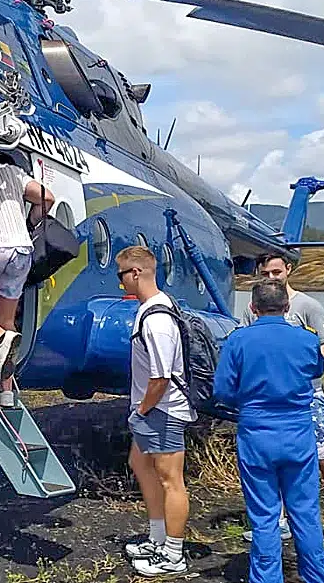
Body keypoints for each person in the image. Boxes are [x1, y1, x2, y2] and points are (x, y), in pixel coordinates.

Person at [238, 253, 324, 544]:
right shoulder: (253, 308)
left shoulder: (308, 306)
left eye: (276, 272)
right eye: (265, 274)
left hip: (307, 394)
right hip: (270, 397)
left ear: (288, 269)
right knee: (276, 459)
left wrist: (299, 362)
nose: (271, 278)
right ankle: (280, 520)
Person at [215, 278, 324, 583]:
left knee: (264, 516)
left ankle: (267, 577)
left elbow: (223, 391)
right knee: (305, 513)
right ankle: (318, 577)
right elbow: (316, 370)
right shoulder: (306, 340)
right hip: (297, 432)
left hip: (256, 433)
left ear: (253, 308)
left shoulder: (238, 340)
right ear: (286, 306)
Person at [116, 245, 192, 576]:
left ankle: (173, 554)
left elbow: (161, 377)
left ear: (136, 273)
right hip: (152, 411)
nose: (120, 284)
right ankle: (157, 537)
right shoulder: (152, 309)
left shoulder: (157, 319)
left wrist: (141, 410)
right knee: (140, 463)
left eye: (121, 276)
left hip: (163, 411)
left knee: (170, 479)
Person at [0, 151, 52, 407]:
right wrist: (30, 224)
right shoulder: (15, 173)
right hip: (22, 249)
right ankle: (7, 393)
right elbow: (47, 198)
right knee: (9, 318)